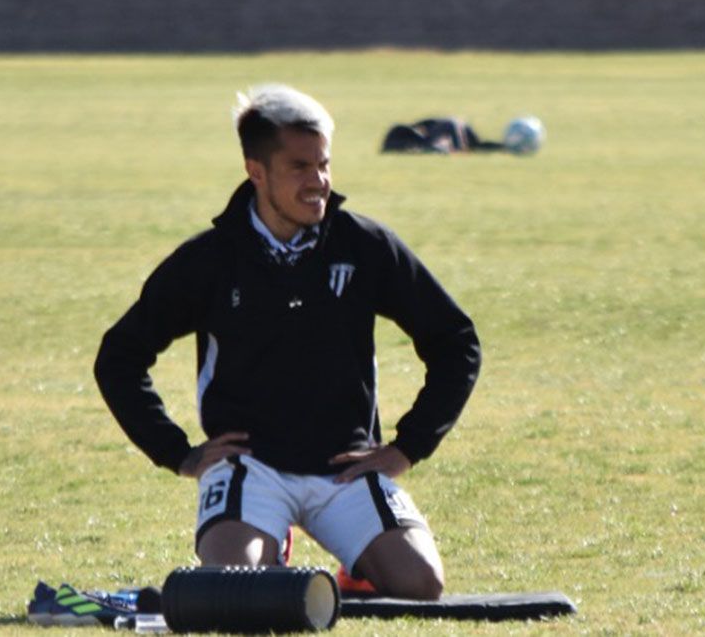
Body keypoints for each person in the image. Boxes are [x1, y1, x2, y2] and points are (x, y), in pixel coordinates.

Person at [94, 84, 481, 600]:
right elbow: (119, 357)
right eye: (300, 167)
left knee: (421, 585)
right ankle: (267, 542)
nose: (318, 181)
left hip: (345, 469)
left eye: (324, 164)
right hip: (250, 470)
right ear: (257, 172)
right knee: (234, 587)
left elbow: (456, 341)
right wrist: (179, 454)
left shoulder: (364, 246)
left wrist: (408, 447)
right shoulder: (210, 260)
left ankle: (357, 569)